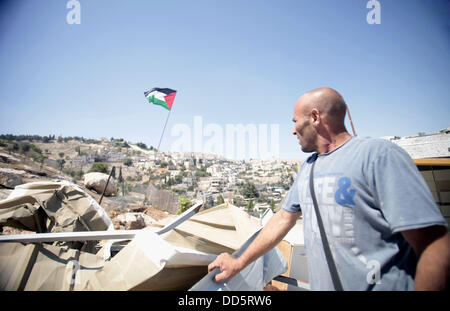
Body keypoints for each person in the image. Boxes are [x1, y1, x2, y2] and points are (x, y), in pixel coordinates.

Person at [208, 87, 450, 290]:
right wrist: (238, 261)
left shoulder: (378, 155)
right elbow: (283, 219)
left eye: (295, 122)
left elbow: (435, 245)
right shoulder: (308, 169)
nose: (293, 130)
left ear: (315, 117)